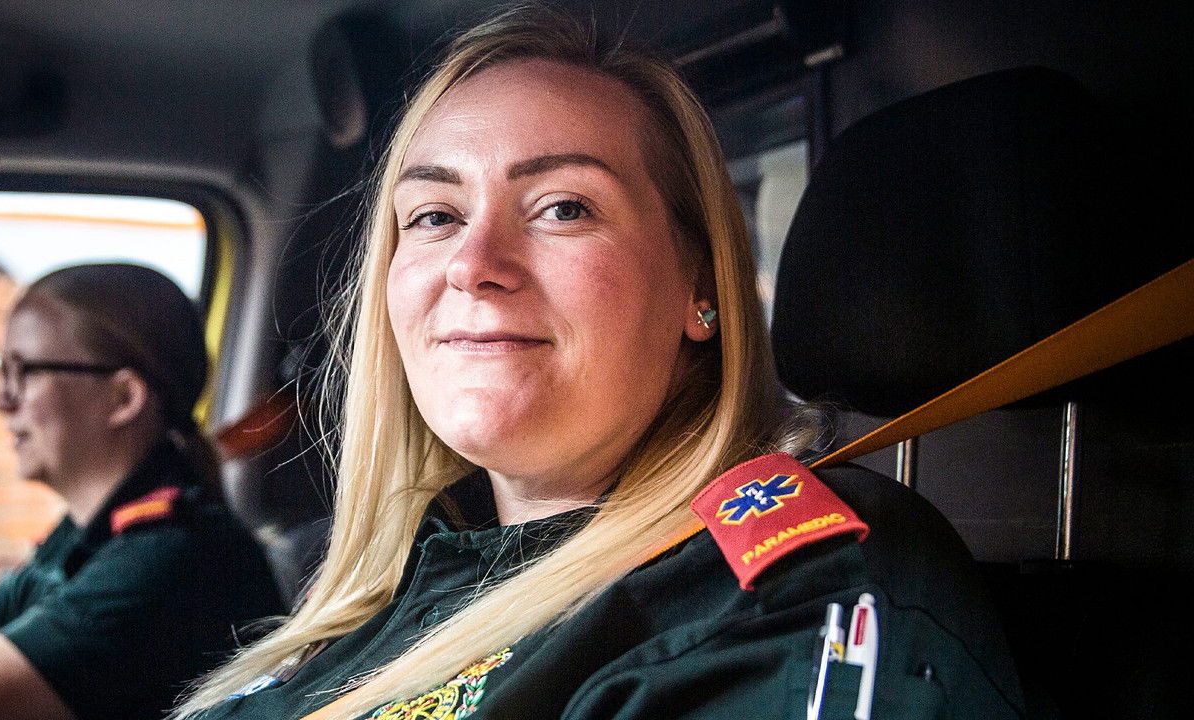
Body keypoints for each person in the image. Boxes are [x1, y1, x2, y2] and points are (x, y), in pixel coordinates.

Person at [173, 7, 1026, 720]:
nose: (473, 263)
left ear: (700, 287)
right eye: (433, 215)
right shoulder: (403, 578)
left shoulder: (788, 595)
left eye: (563, 208)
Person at [0, 263, 286, 720]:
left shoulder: (166, 561)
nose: (2, 400)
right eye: (1, 369)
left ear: (123, 398)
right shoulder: (83, 538)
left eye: (24, 371)